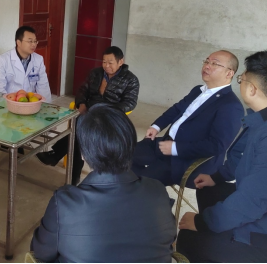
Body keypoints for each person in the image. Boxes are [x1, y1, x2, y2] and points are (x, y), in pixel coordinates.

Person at [177, 51, 267, 263]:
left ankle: (226, 242)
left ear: (252, 89)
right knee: (208, 191)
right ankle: (223, 234)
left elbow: (254, 201)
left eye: (241, 79)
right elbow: (245, 157)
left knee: (188, 238)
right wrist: (217, 177)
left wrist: (202, 223)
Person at [31, 106, 176, 263]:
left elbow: (40, 253)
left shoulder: (64, 203)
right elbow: (168, 242)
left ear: (83, 154)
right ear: (130, 145)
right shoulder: (158, 190)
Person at [131, 50, 244, 186]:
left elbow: (217, 145)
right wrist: (156, 126)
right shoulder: (198, 90)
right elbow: (177, 109)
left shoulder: (230, 105)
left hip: (186, 160)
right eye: (206, 61)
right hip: (165, 144)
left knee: (141, 183)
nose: (207, 66)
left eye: (215, 64)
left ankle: (150, 194)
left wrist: (176, 148)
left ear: (229, 73)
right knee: (122, 156)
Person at [37, 46, 139, 185]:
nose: (106, 66)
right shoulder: (96, 73)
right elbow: (82, 90)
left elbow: (130, 102)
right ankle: (71, 176)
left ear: (120, 62)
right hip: (90, 111)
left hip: (110, 116)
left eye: (110, 62)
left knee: (79, 133)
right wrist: (81, 104)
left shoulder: (131, 80)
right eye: (104, 62)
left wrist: (109, 111)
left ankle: (59, 160)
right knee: (79, 131)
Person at [0, 26, 52, 102]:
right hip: (9, 103)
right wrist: (6, 105)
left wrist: (46, 106)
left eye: (35, 41)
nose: (33, 44)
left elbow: (43, 86)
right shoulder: (3, 60)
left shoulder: (38, 59)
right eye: (30, 41)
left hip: (31, 103)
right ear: (19, 43)